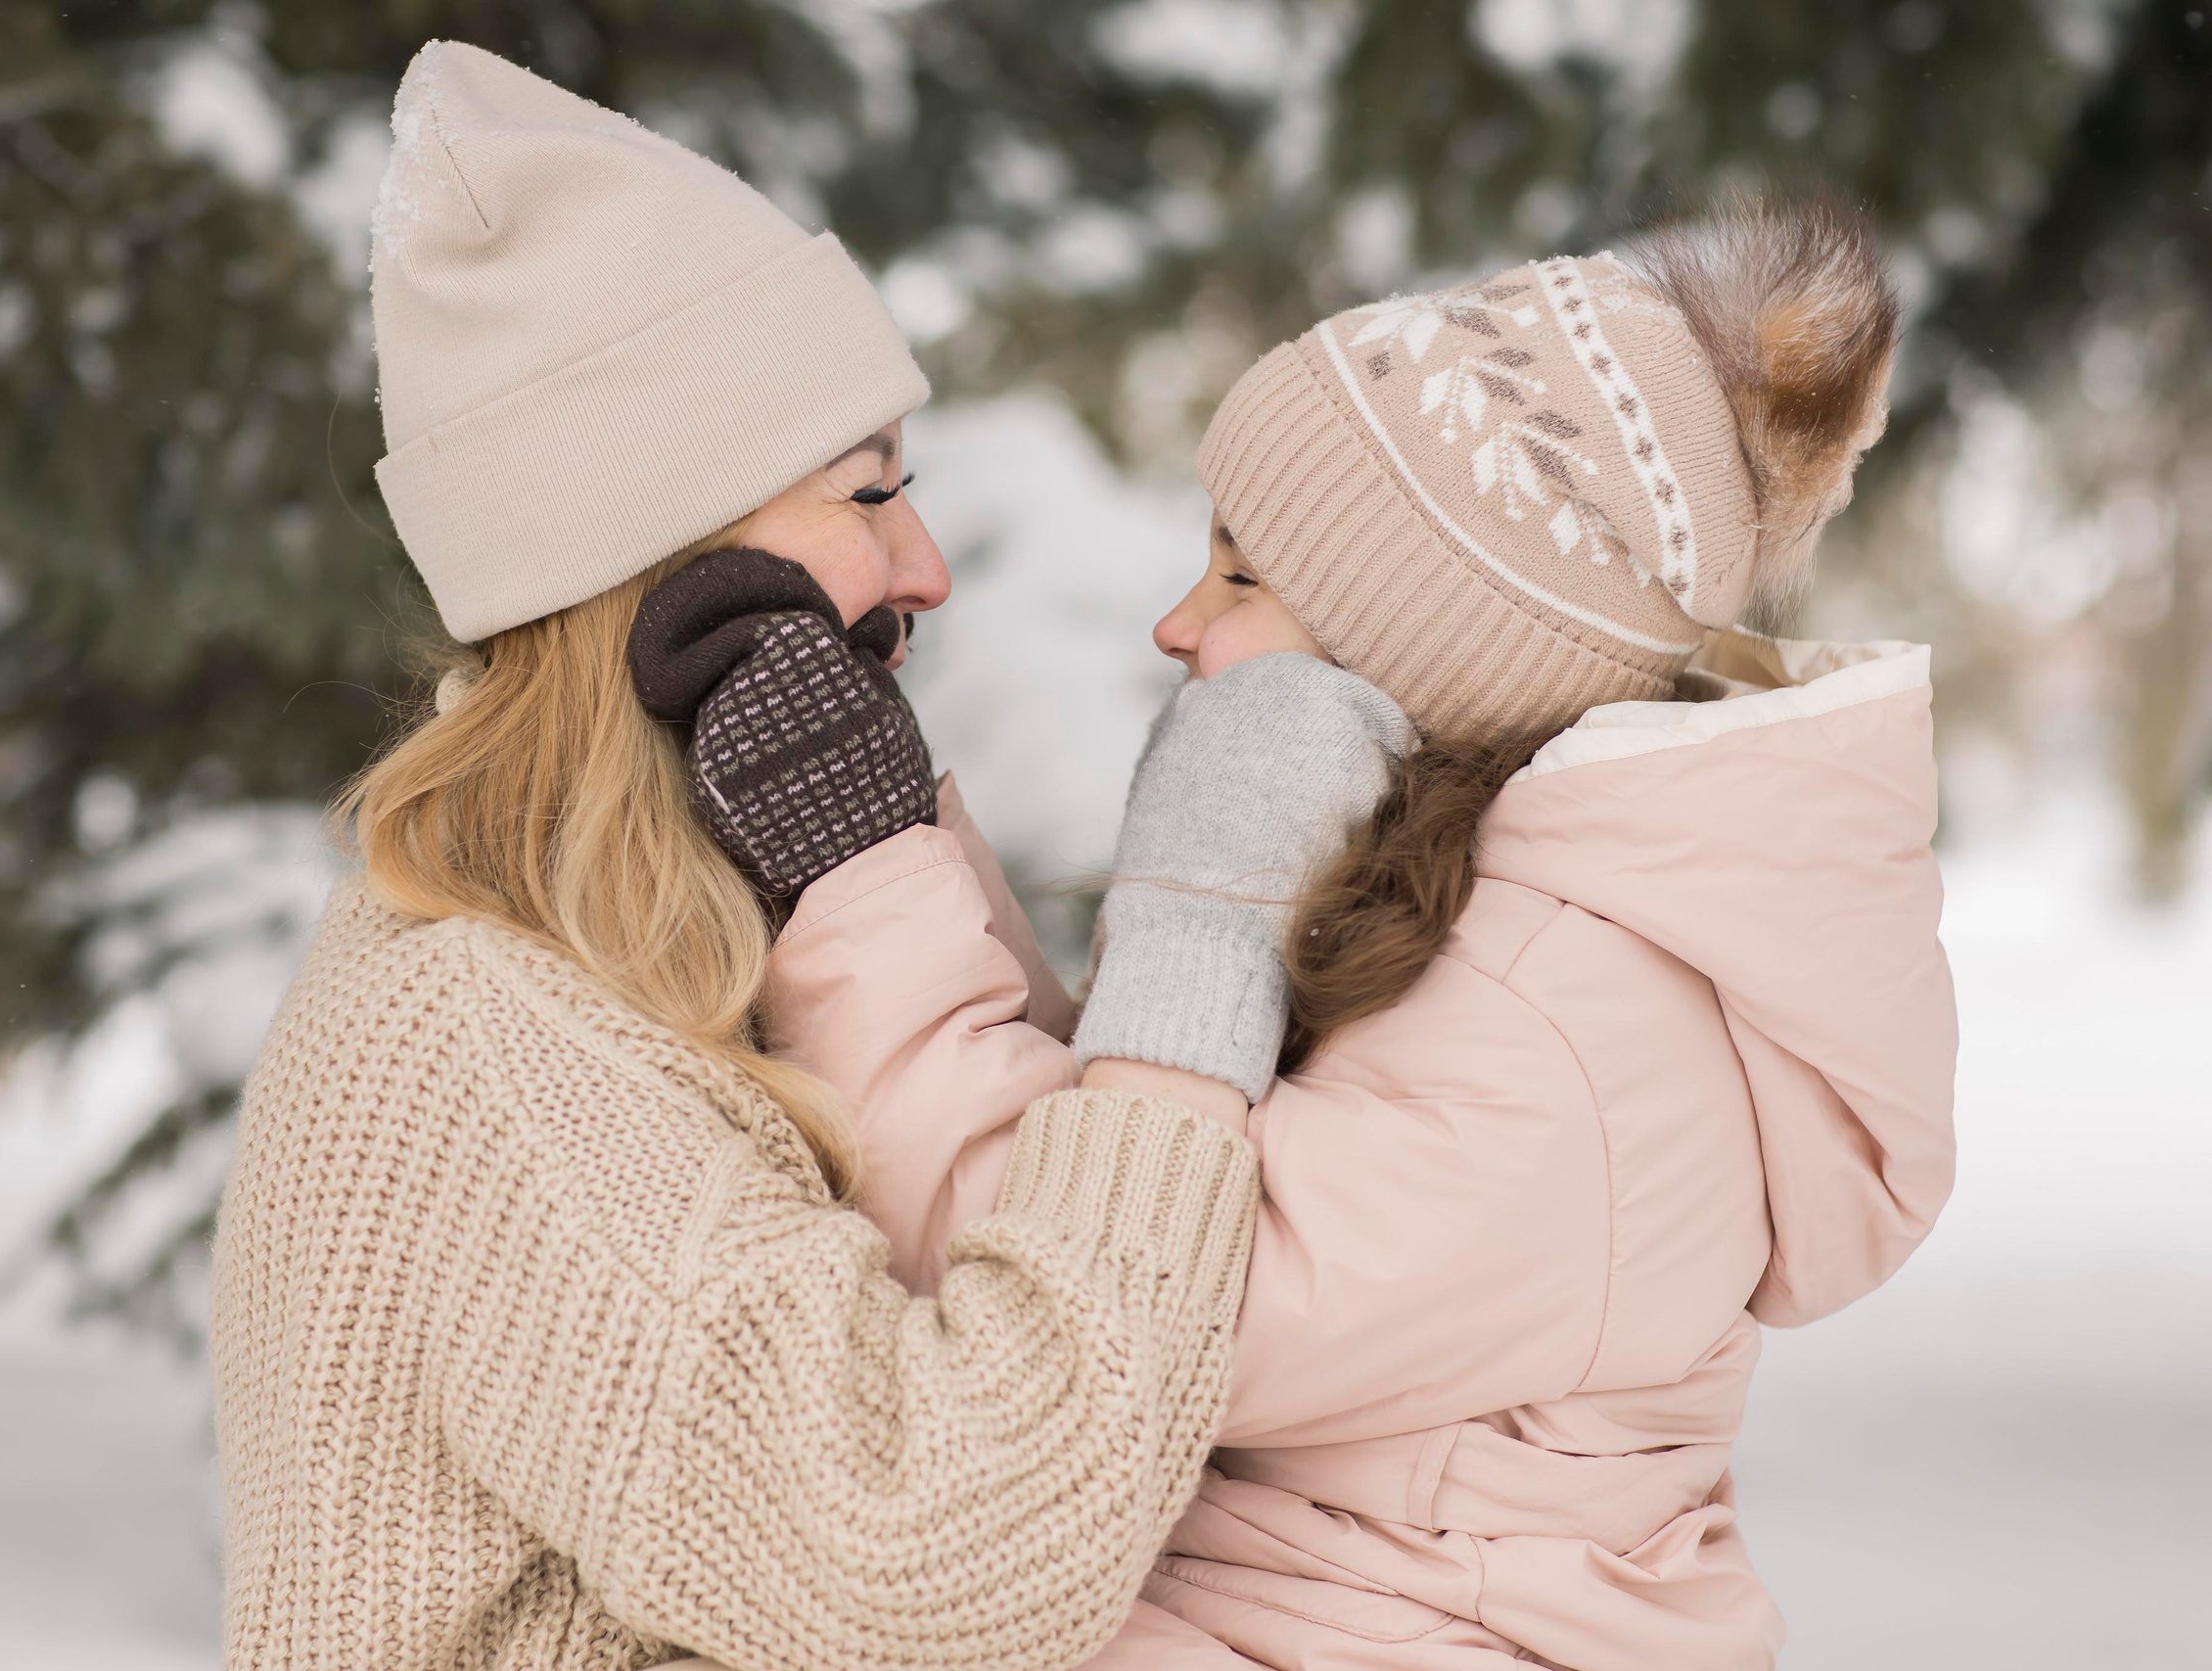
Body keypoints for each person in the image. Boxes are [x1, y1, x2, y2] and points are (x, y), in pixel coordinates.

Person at [762, 199, 1959, 1667]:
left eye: (1243, 576)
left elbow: (1102, 1307)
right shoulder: (1484, 929)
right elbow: (1129, 1134)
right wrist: (911, 842)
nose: (1177, 625)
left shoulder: (1563, 1037)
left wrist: (855, 865)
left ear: (1419, 655)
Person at [209, 42, 1282, 1671]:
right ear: (668, 568)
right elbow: (939, 1551)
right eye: (866, 495)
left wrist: (891, 861)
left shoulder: (655, 954)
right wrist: (1188, 1002)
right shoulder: (490, 1049)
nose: (921, 563)